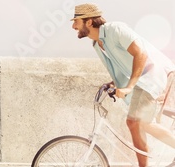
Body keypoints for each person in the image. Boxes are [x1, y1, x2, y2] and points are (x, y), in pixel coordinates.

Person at [71, 3, 175, 166]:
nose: (73, 26)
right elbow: (121, 67)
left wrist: (129, 86)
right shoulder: (96, 44)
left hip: (152, 76)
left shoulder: (115, 29)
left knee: (142, 122)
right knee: (133, 123)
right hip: (140, 81)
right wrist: (112, 83)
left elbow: (140, 54)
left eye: (76, 21)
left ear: (89, 22)